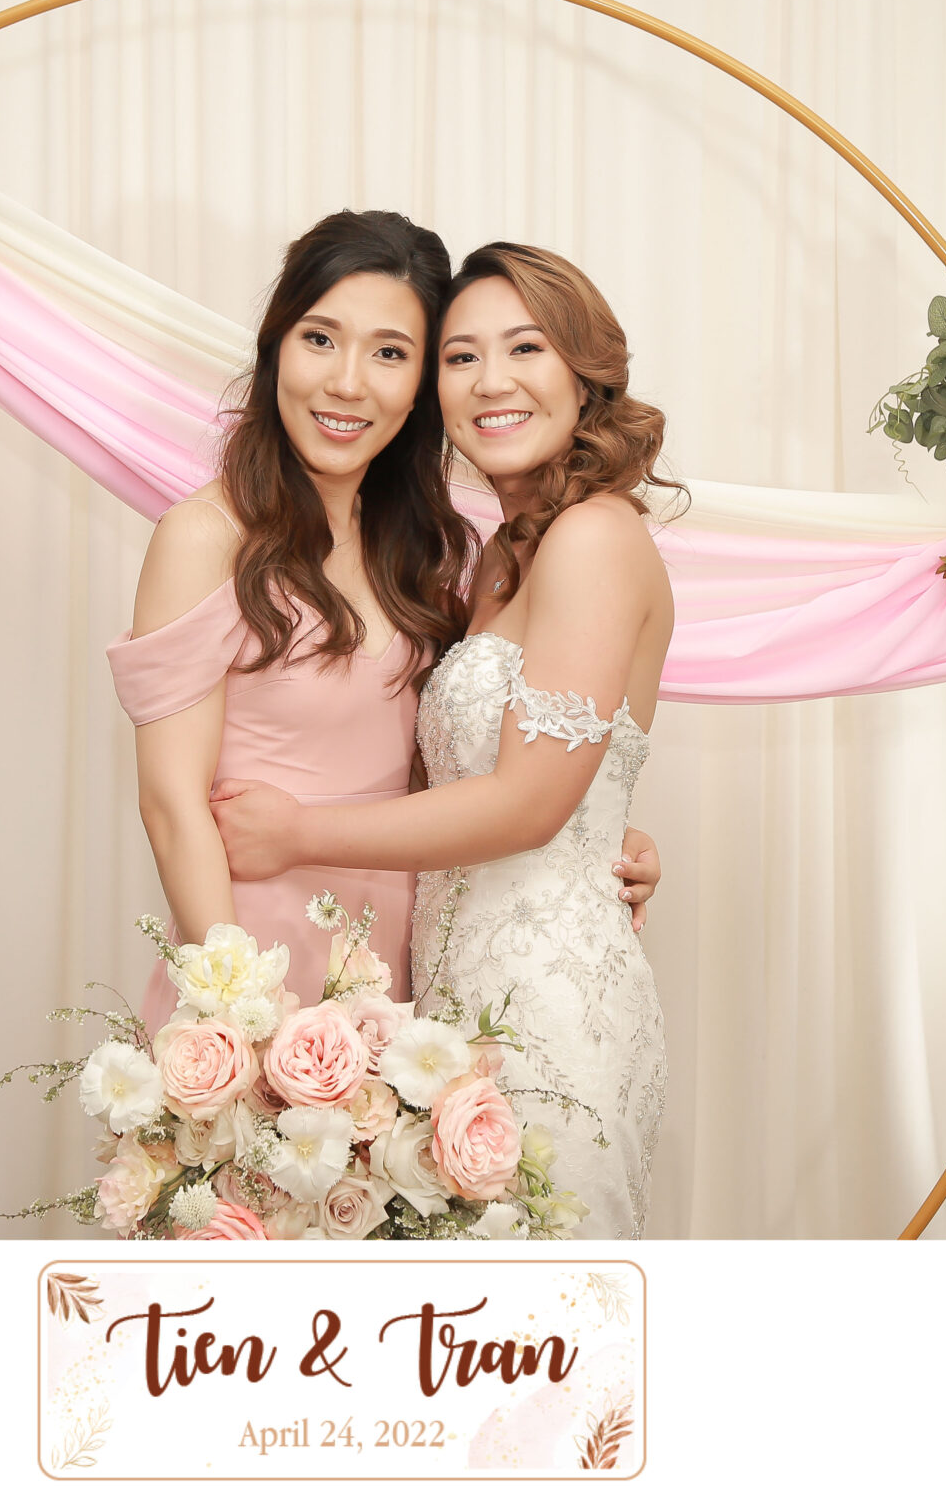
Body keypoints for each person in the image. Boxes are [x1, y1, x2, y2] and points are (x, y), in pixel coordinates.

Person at [210, 241, 674, 1238]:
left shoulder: (595, 535)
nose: (491, 381)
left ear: (584, 375)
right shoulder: (500, 552)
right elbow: (516, 770)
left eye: (525, 348)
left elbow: (529, 802)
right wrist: (610, 834)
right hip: (457, 1008)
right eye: (461, 357)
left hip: (550, 1006)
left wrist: (298, 832)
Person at [107, 214, 660, 1027]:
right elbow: (170, 807)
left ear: (420, 386)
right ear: (275, 349)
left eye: (390, 353)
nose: (347, 383)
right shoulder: (206, 536)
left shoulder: (422, 551)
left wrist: (598, 823)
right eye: (319, 339)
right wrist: (245, 1016)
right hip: (255, 957)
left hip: (406, 973)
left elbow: (469, 769)